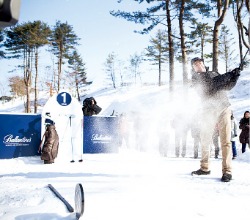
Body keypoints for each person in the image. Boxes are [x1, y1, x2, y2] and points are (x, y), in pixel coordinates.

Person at [190, 57, 240, 182]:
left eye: (200, 63)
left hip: (223, 108)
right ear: (193, 68)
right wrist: (229, 74)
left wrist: (235, 76)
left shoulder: (214, 73)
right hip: (208, 111)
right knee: (205, 139)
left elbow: (226, 86)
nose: (199, 65)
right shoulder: (196, 79)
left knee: (225, 141)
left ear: (203, 64)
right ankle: (205, 168)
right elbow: (212, 85)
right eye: (196, 64)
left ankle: (227, 171)